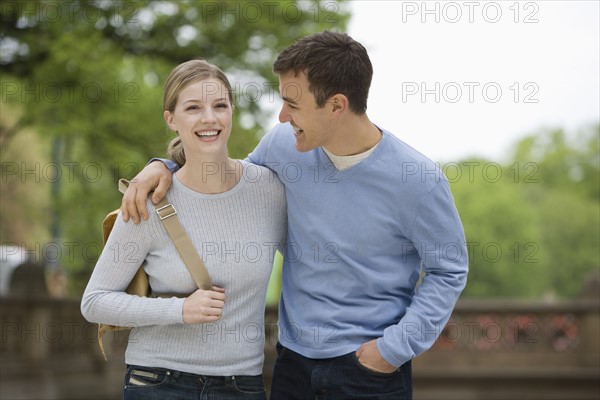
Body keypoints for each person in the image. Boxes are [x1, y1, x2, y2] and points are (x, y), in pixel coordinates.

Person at [122, 31, 468, 400]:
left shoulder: (418, 180)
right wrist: (163, 166)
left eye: (293, 104)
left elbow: (448, 270)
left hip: (371, 374)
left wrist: (393, 350)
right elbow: (227, 183)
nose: (283, 116)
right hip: (292, 366)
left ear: (336, 106)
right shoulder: (283, 145)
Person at [81, 59, 287, 400]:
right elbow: (95, 302)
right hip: (158, 381)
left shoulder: (268, 190)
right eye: (193, 108)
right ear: (171, 119)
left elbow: (308, 261)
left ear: (231, 112)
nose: (209, 118)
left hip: (242, 384)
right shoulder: (148, 201)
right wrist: (179, 310)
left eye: (220, 105)